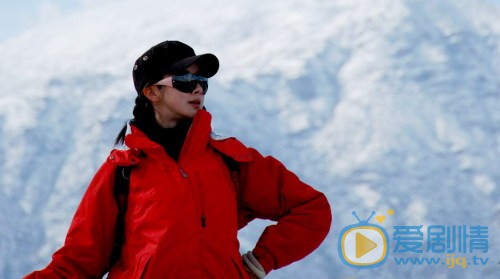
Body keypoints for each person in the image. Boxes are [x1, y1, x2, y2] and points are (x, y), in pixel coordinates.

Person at [23, 40, 332, 278]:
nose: (197, 88)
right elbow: (79, 261)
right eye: (184, 81)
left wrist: (257, 263)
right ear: (152, 92)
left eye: (202, 83)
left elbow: (311, 209)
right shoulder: (123, 171)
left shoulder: (230, 160)